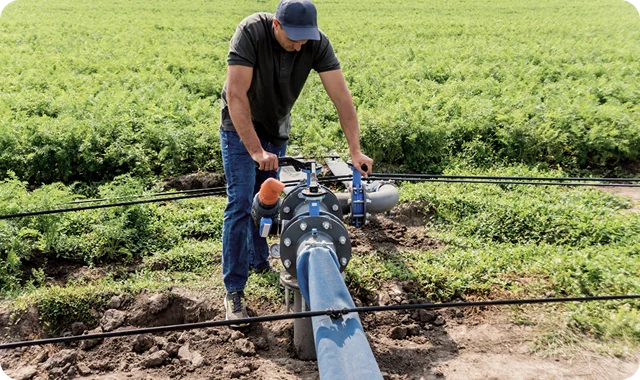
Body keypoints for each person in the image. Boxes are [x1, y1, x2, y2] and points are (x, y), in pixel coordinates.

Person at [219, 0, 373, 326]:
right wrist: (256, 151)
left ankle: (259, 262)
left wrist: (355, 151)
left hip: (276, 129)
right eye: (294, 37)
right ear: (276, 25)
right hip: (239, 128)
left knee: (267, 201)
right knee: (241, 202)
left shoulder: (315, 43)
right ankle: (234, 289)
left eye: (306, 37)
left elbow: (341, 97)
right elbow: (236, 95)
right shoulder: (251, 32)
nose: (300, 44)